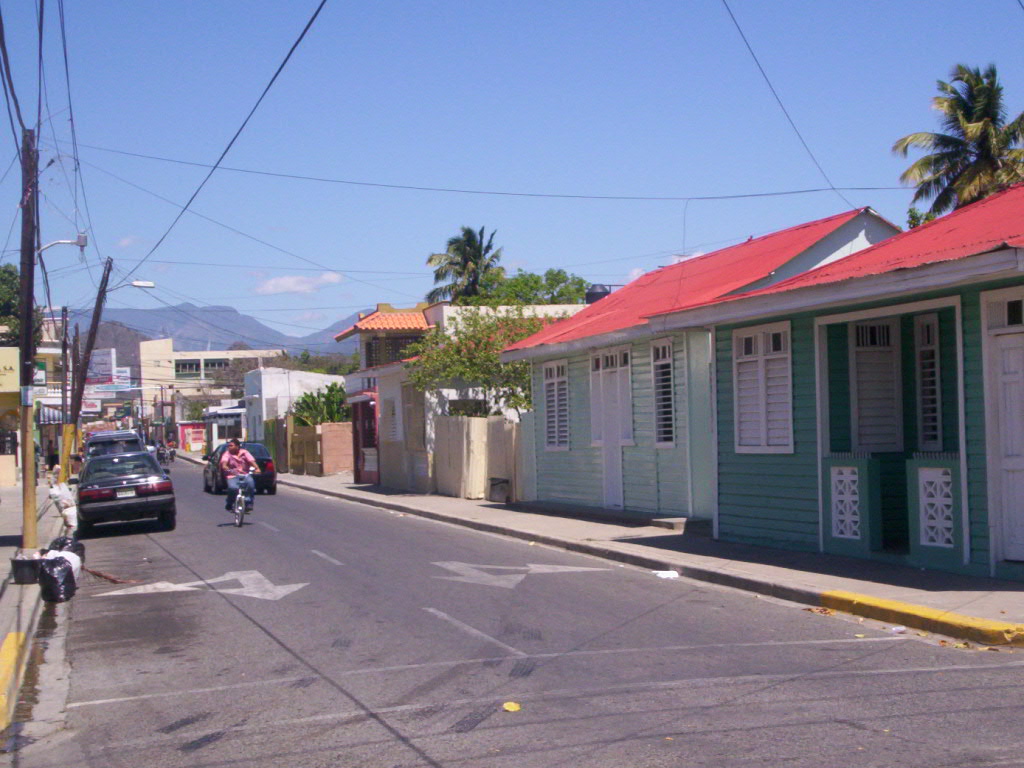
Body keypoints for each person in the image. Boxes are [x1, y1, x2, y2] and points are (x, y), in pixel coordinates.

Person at [219, 438, 260, 512]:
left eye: (231, 446)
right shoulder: (227, 454)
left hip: (245, 474)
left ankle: (248, 503)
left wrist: (257, 468)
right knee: (232, 488)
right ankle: (230, 503)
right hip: (232, 475)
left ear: (237, 446)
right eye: (229, 446)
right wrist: (226, 468)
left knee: (250, 484)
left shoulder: (244, 453)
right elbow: (224, 463)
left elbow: (251, 461)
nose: (229, 447)